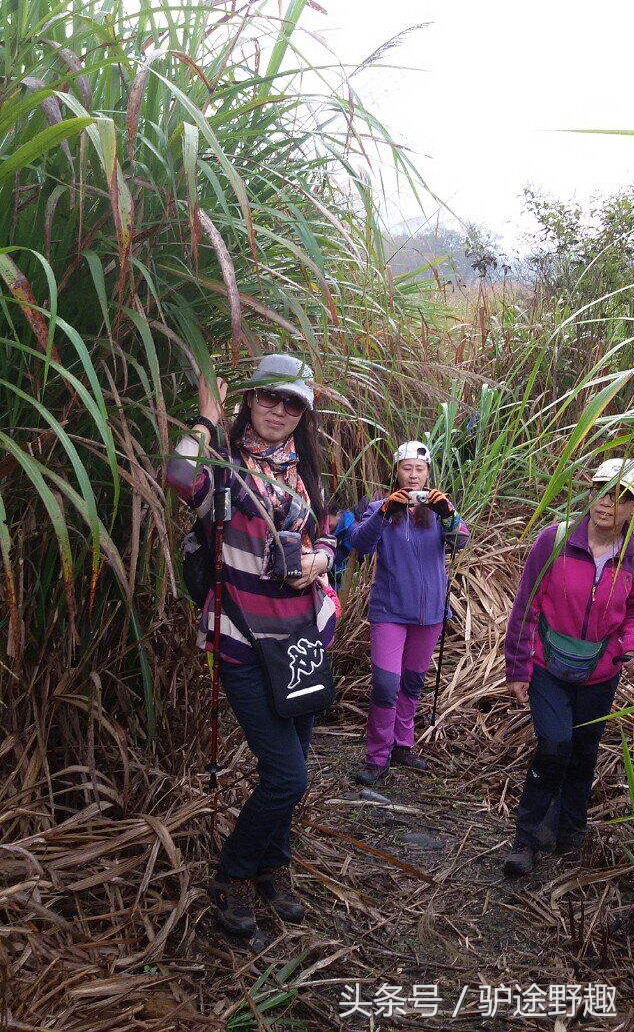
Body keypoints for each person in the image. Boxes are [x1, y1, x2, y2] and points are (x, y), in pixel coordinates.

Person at [167, 354, 337, 937]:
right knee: (288, 775)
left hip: (302, 638)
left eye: (293, 403)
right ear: (250, 399)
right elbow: (177, 475)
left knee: (290, 764)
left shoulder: (306, 470)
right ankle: (233, 874)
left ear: (303, 413)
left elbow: (330, 537)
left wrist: (315, 561)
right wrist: (207, 421)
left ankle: (273, 866)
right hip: (240, 635)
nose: (279, 411)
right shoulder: (223, 466)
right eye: (269, 398)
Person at [503, 458, 634, 876]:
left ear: (633, 509)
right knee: (554, 746)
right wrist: (518, 668)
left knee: (583, 753)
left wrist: (632, 650)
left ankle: (570, 833)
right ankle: (526, 839)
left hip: (600, 672)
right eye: (602, 489)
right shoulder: (555, 539)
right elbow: (525, 604)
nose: (608, 502)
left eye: (622, 496)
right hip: (547, 666)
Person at [350, 440, 470, 785]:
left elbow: (461, 542)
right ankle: (377, 757)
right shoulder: (379, 507)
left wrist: (448, 512)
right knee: (386, 685)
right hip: (389, 611)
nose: (413, 475)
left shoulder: (437, 511)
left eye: (419, 469)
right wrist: (386, 512)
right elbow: (360, 543)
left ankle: (403, 745)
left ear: (428, 474)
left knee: (413, 683)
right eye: (407, 468)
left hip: (430, 614)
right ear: (397, 472)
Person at [327, 497, 356, 591]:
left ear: (338, 515)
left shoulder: (351, 531)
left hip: (343, 582)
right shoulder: (329, 530)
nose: (326, 527)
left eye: (328, 523)